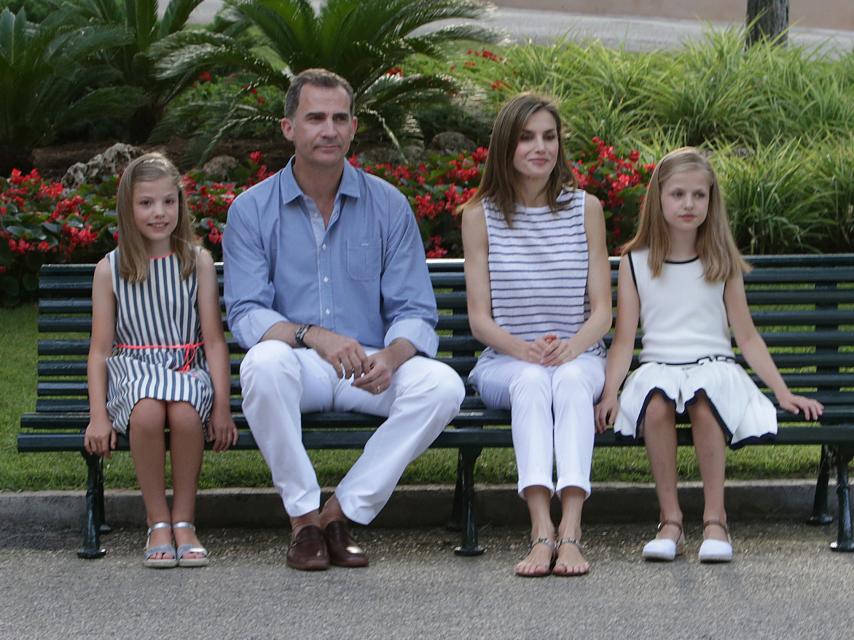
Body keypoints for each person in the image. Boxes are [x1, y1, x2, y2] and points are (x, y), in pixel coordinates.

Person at [223, 68, 465, 571]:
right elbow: (246, 314)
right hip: (301, 365)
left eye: (339, 118)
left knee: (443, 386)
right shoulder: (251, 211)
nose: (328, 130)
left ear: (354, 127)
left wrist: (394, 357)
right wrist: (315, 337)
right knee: (263, 366)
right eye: (315, 118)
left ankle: (338, 513)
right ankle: (303, 520)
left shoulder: (388, 206)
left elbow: (415, 310)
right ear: (289, 127)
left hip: (370, 368)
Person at [595, 147, 824, 563]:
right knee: (658, 403)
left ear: (711, 200)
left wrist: (783, 392)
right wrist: (610, 394)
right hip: (659, 367)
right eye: (678, 194)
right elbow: (625, 340)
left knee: (704, 400)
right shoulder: (636, 261)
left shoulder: (720, 260)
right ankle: (670, 522)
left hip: (713, 366)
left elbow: (748, 337)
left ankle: (716, 520)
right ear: (658, 198)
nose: (688, 204)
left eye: (699, 195)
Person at [461, 94, 612, 577]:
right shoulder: (478, 215)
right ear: (506, 145)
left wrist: (571, 347)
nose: (540, 147)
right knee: (529, 381)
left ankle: (570, 531)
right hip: (506, 361)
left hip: (577, 354)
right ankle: (539, 530)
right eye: (527, 137)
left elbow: (603, 311)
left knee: (568, 383)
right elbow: (480, 319)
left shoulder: (585, 209)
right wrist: (523, 350)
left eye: (549, 136)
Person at [83, 153, 238, 568]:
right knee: (148, 414)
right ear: (128, 208)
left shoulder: (196, 261)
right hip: (134, 372)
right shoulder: (110, 269)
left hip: (186, 367)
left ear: (180, 205)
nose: (159, 213)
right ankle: (158, 522)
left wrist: (221, 407)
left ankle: (184, 520)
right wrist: (98, 416)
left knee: (187, 416)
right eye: (147, 203)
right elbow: (100, 350)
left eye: (169, 202)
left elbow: (213, 340)